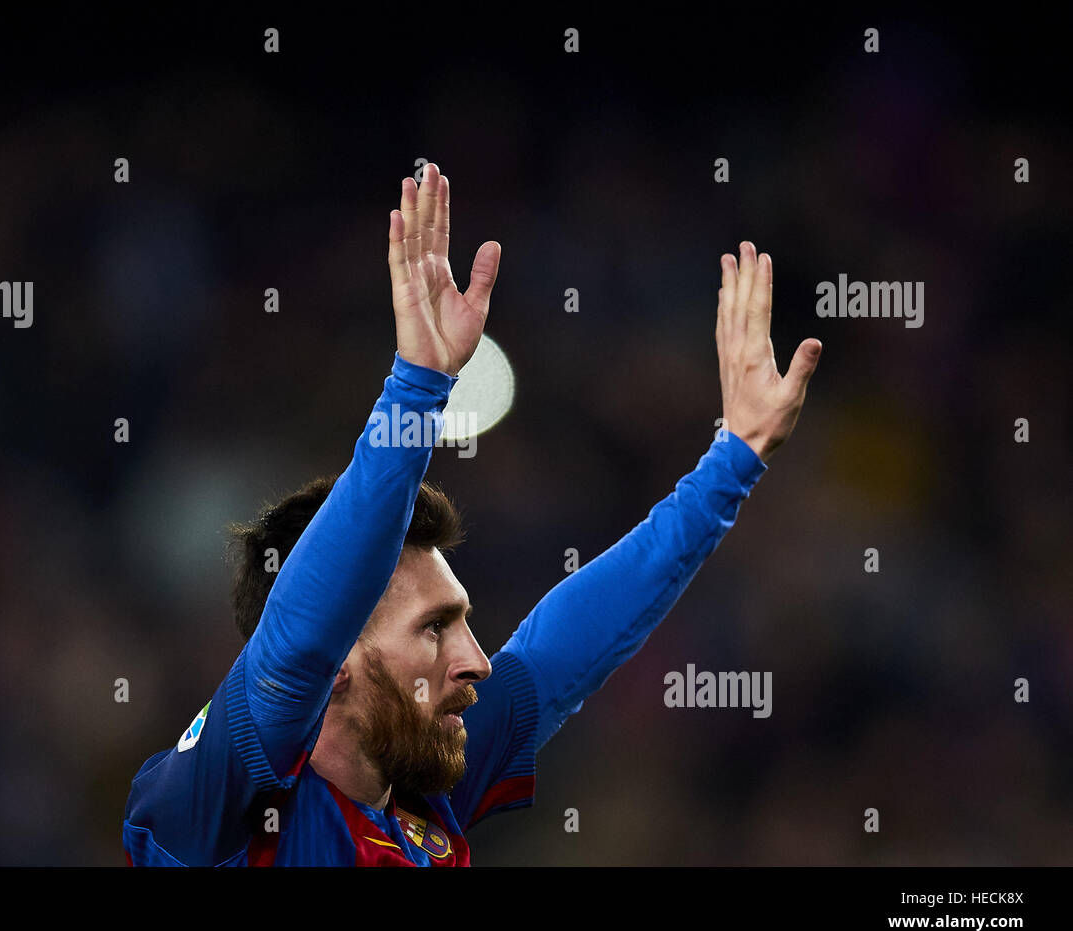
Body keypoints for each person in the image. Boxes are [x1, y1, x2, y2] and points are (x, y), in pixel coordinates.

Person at [122, 162, 822, 865]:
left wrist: (733, 460)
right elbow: (297, 645)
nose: (477, 662)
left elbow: (560, 649)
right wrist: (417, 386)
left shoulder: (423, 789)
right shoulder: (214, 807)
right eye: (434, 629)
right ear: (336, 662)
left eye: (459, 623)